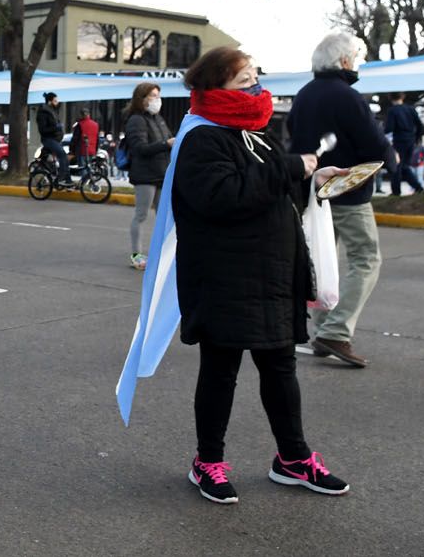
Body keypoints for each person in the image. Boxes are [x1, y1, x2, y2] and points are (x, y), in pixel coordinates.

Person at [173, 47, 350, 504]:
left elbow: (274, 185)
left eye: (255, 76)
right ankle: (206, 462)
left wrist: (315, 179)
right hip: (224, 279)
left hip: (271, 276)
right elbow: (225, 196)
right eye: (242, 80)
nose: (255, 86)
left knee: (281, 368)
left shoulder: (257, 133)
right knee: (220, 371)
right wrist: (293, 167)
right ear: (216, 89)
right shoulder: (202, 139)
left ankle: (293, 459)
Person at [287, 32, 393, 368]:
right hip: (347, 189)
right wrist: (393, 161)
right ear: (344, 61)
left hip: (313, 189)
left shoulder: (303, 95)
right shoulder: (348, 96)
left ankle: (323, 329)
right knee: (366, 259)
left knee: (322, 262)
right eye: (355, 56)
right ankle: (336, 330)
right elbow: (374, 144)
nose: (357, 62)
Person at [123, 83, 173, 270]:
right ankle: (136, 255)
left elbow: (168, 139)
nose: (156, 99)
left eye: (158, 95)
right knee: (141, 215)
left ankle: (162, 253)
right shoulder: (136, 120)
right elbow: (139, 148)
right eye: (152, 95)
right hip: (145, 176)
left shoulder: (157, 118)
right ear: (141, 98)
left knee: (164, 217)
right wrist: (166, 144)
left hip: (161, 173)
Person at [383, 92, 424, 195]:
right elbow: (419, 125)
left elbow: (389, 128)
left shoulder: (392, 111)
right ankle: (418, 187)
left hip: (398, 141)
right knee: (405, 166)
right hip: (410, 141)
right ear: (402, 97)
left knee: (396, 166)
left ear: (390, 98)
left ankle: (396, 192)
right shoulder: (410, 109)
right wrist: (417, 138)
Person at [36, 92, 72, 187]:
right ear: (49, 101)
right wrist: (56, 127)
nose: (57, 102)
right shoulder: (43, 112)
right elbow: (43, 130)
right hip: (48, 139)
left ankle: (68, 180)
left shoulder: (53, 111)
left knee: (65, 158)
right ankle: (61, 179)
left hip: (55, 139)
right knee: (62, 155)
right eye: (55, 101)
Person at [73, 108, 99, 181]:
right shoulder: (95, 124)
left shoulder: (80, 124)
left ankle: (84, 184)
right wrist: (96, 150)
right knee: (89, 167)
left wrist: (72, 149)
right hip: (92, 150)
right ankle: (90, 182)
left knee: (83, 168)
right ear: (89, 114)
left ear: (81, 115)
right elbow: (97, 139)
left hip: (82, 150)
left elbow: (75, 138)